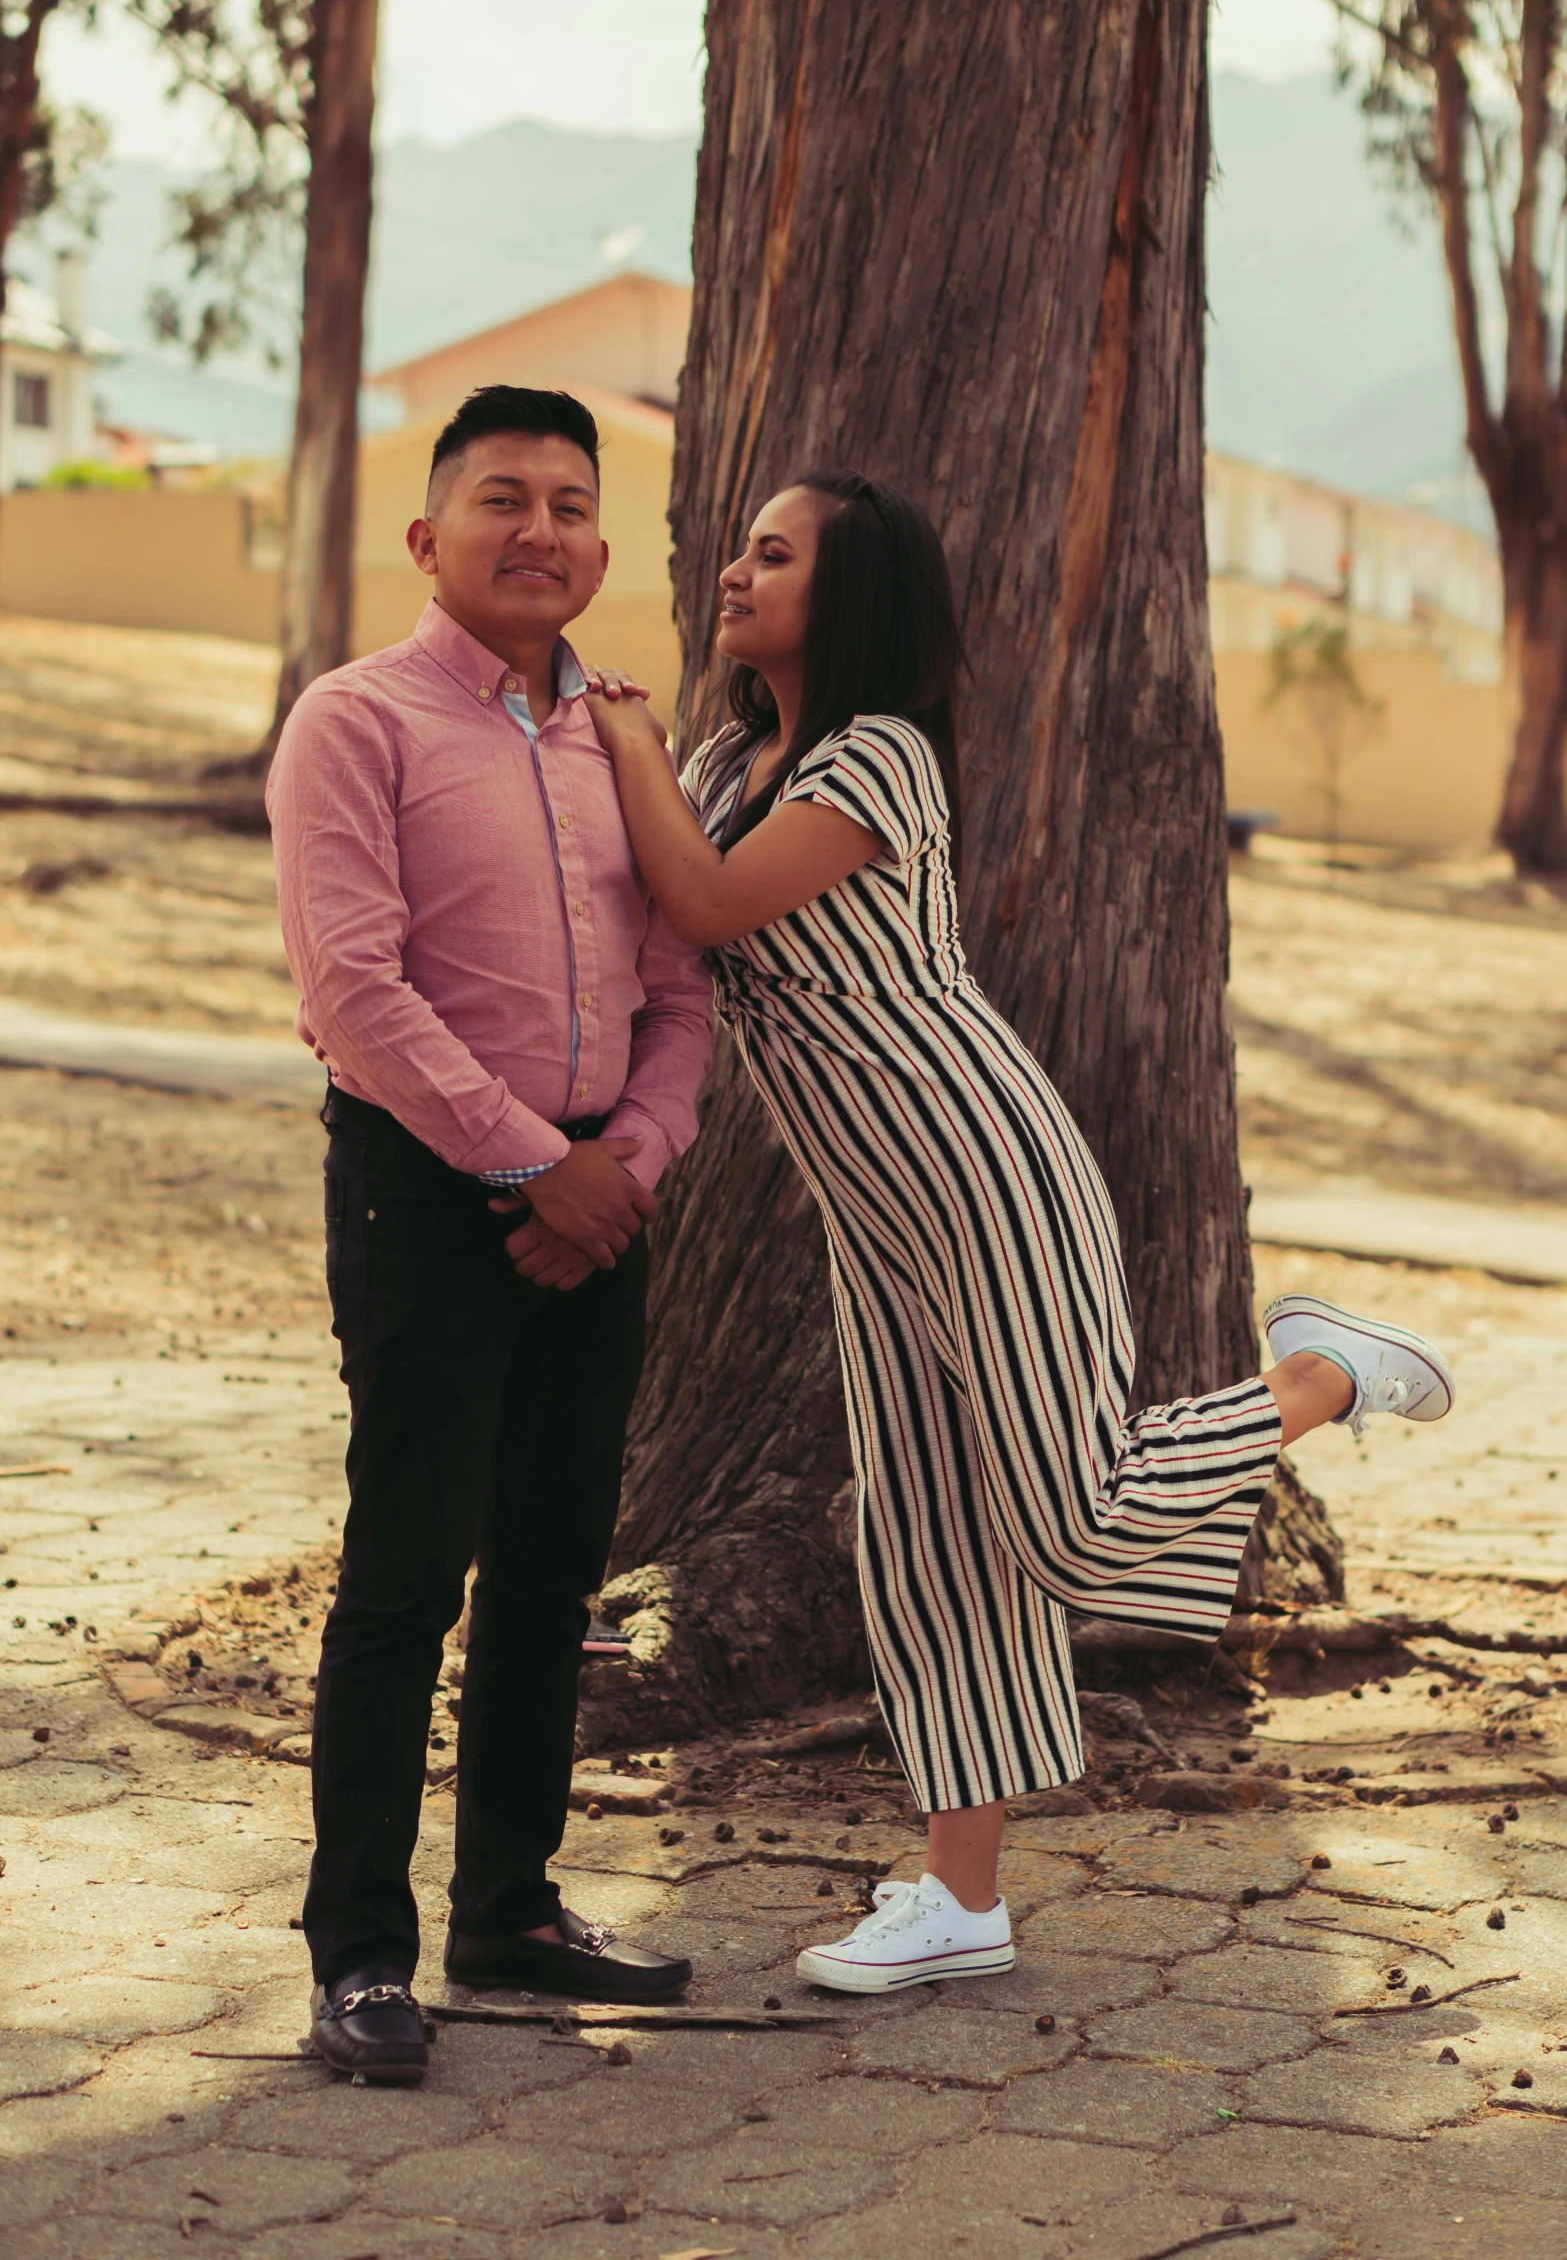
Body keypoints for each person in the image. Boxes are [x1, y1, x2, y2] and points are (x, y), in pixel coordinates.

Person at [582, 466, 1455, 1997]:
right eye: (740, 546)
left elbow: (709, 906)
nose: (735, 571)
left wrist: (628, 741)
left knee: (1067, 1514)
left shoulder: (880, 760)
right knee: (930, 1546)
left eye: (773, 555)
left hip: (982, 1166)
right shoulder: (727, 760)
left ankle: (1318, 1375)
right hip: (873, 1212)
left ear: (845, 598)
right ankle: (960, 1896)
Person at [267, 385, 713, 2081]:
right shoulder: (356, 721)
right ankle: (362, 1959)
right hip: (427, 1191)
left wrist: (632, 1161)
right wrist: (538, 1168)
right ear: (427, 536)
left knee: (549, 1573)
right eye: (503, 497)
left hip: (605, 1199)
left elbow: (685, 980)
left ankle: (509, 1906)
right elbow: (352, 988)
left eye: (572, 503)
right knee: (403, 1576)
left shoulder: (623, 734)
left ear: (602, 544)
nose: (542, 529)